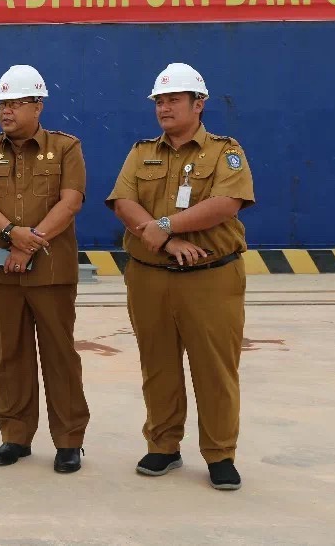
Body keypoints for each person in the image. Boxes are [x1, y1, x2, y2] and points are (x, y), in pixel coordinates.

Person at [106, 62, 254, 491]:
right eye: (159, 101)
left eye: (173, 100)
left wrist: (166, 224)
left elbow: (227, 202)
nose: (164, 108)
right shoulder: (141, 152)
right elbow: (124, 202)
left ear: (198, 104)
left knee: (214, 369)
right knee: (157, 365)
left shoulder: (225, 151)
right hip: (150, 274)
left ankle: (220, 454)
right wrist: (167, 241)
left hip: (211, 277)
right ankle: (163, 445)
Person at [0, 65, 90, 474]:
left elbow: (71, 201)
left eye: (15, 103)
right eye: (1, 104)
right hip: (2, 272)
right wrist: (11, 234)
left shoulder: (66, 147)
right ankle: (15, 436)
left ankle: (69, 440)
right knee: (9, 354)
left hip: (50, 271)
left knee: (59, 355)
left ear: (38, 106)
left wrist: (30, 241)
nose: (6, 111)